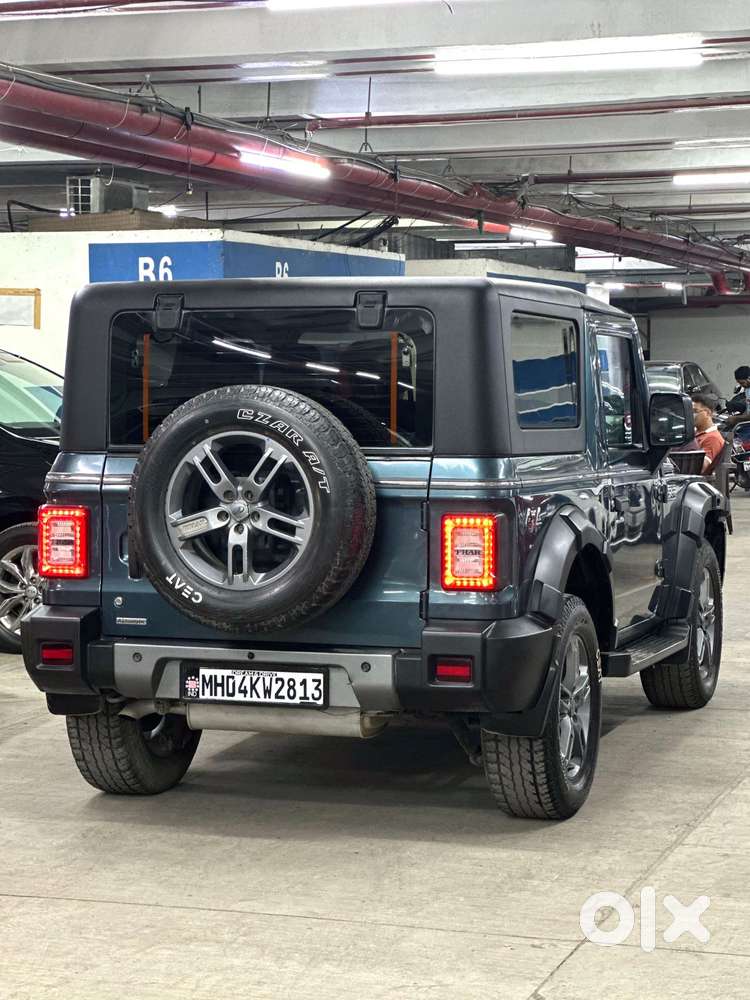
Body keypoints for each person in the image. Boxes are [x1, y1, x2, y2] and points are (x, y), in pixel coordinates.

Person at [691, 393, 725, 474]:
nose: (691, 415)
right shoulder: (695, 433)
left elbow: (700, 468)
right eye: (689, 411)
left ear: (708, 413)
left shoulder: (713, 439)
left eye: (695, 411)